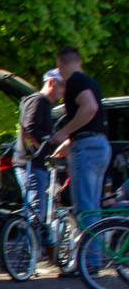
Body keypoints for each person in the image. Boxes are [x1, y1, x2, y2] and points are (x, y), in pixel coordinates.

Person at [44, 45, 110, 240]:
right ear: (79, 61)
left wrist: (64, 132)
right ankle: (92, 259)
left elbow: (89, 107)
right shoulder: (90, 82)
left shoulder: (75, 81)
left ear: (59, 64)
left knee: (84, 207)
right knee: (93, 207)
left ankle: (87, 262)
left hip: (86, 147)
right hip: (100, 146)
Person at [14, 69, 64, 223]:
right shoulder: (38, 100)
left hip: (37, 164)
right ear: (51, 82)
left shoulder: (44, 104)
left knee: (39, 210)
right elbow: (29, 128)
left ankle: (35, 244)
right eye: (62, 86)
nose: (64, 91)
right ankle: (30, 246)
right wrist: (46, 141)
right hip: (31, 164)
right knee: (36, 213)